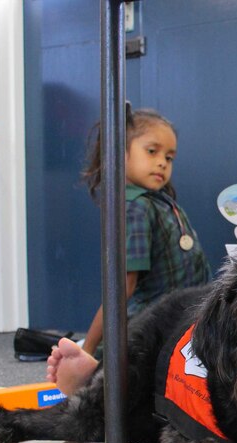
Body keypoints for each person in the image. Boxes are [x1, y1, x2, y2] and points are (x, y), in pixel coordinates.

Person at [77, 106, 210, 358]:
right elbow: (122, 287)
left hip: (181, 320)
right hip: (154, 329)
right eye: (152, 151)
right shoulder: (136, 208)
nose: (162, 162)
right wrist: (89, 348)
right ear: (120, 152)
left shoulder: (157, 202)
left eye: (169, 157)